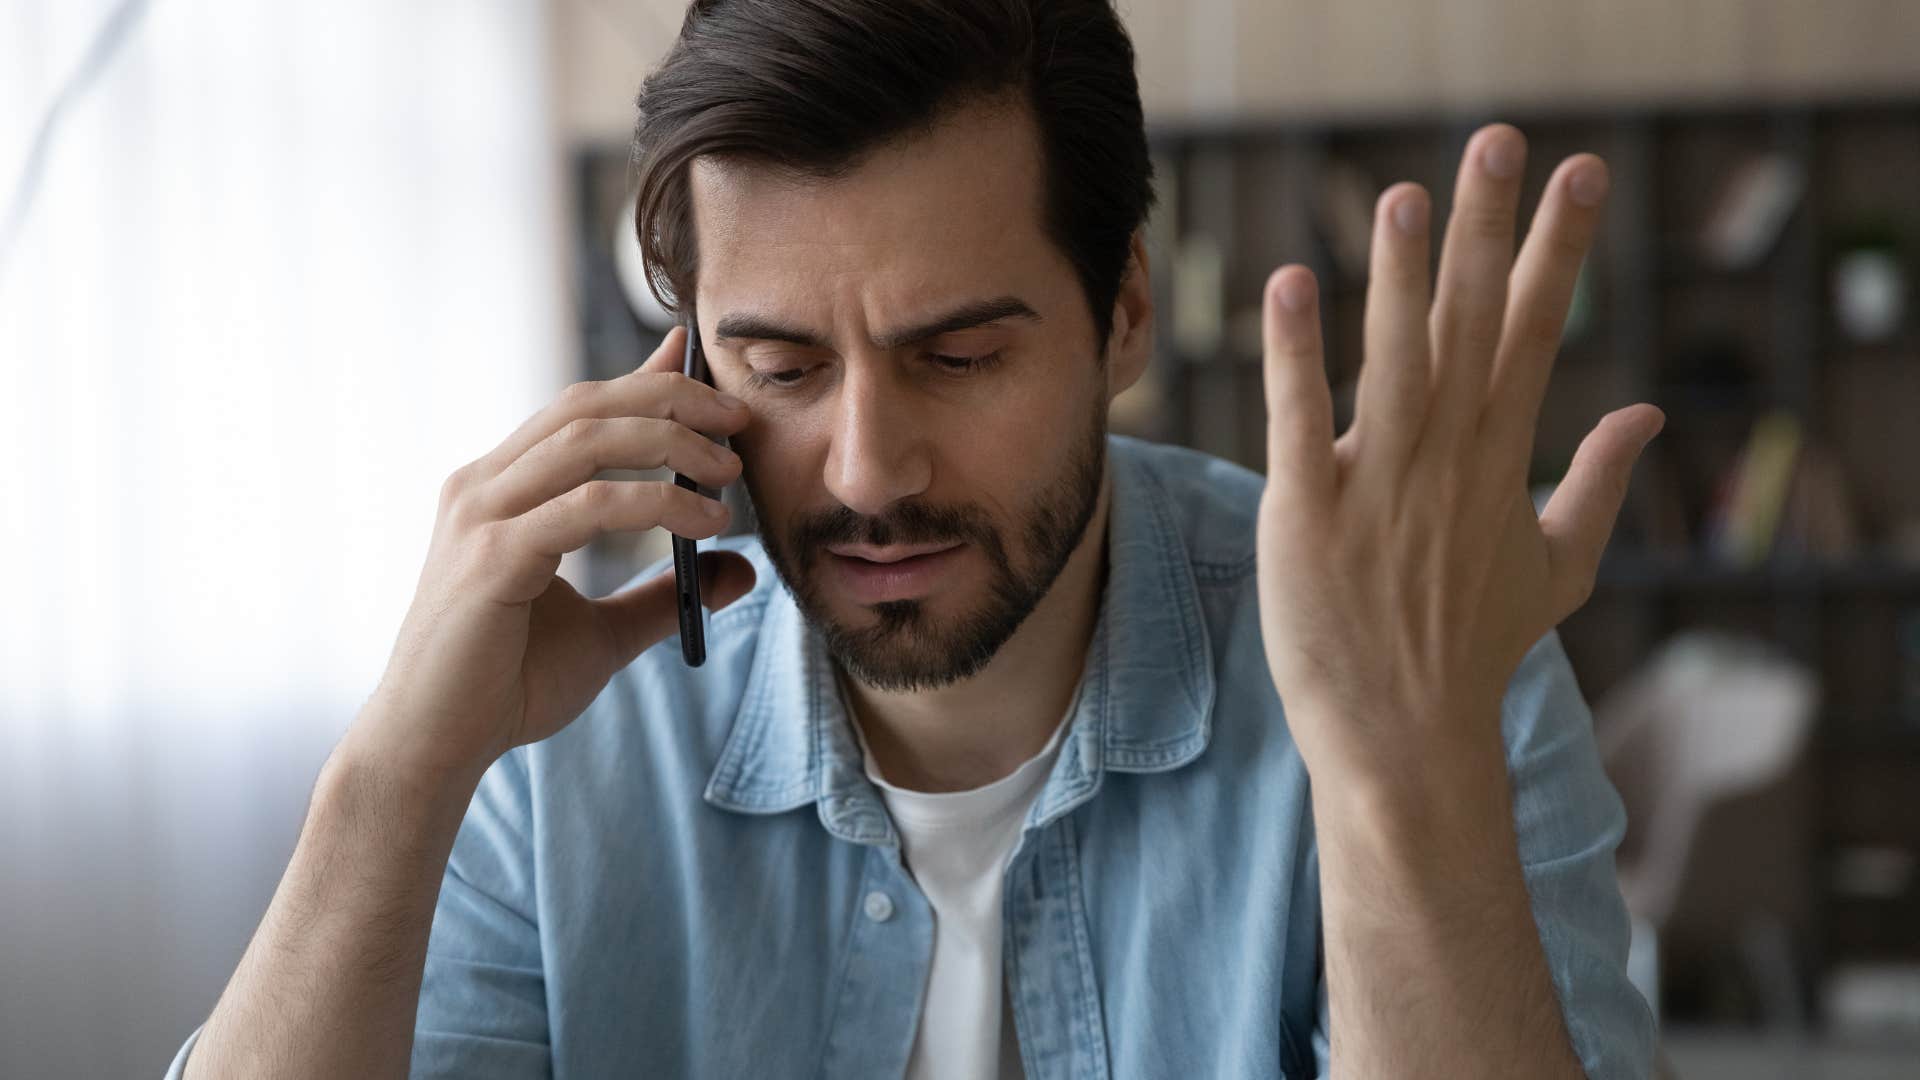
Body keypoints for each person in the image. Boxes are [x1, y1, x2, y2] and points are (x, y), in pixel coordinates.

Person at [167, 1, 1661, 1076]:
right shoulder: (560, 753)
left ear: (1124, 311)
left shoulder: (1421, 677)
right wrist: (389, 785)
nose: (868, 468)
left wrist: (1404, 781)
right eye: (783, 367)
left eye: (958, 354)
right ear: (688, 365)